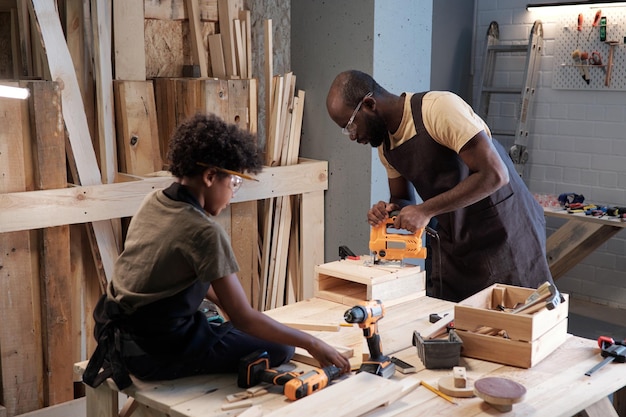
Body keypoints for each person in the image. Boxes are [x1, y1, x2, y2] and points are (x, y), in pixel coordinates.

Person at [83, 113, 350, 390]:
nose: (234, 193)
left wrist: (227, 306)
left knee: (223, 321)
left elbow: (182, 276)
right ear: (210, 176)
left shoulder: (156, 201)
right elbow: (244, 317)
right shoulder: (204, 232)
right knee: (282, 348)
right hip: (152, 355)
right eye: (233, 183)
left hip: (118, 336)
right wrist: (313, 342)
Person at [326, 70, 553, 302]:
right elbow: (403, 199)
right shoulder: (387, 148)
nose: (352, 136)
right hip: (457, 240)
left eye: (350, 126)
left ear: (369, 104)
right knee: (457, 323)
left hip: (504, 230)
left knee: (521, 315)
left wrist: (426, 210)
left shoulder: (438, 109)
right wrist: (388, 211)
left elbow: (495, 175)